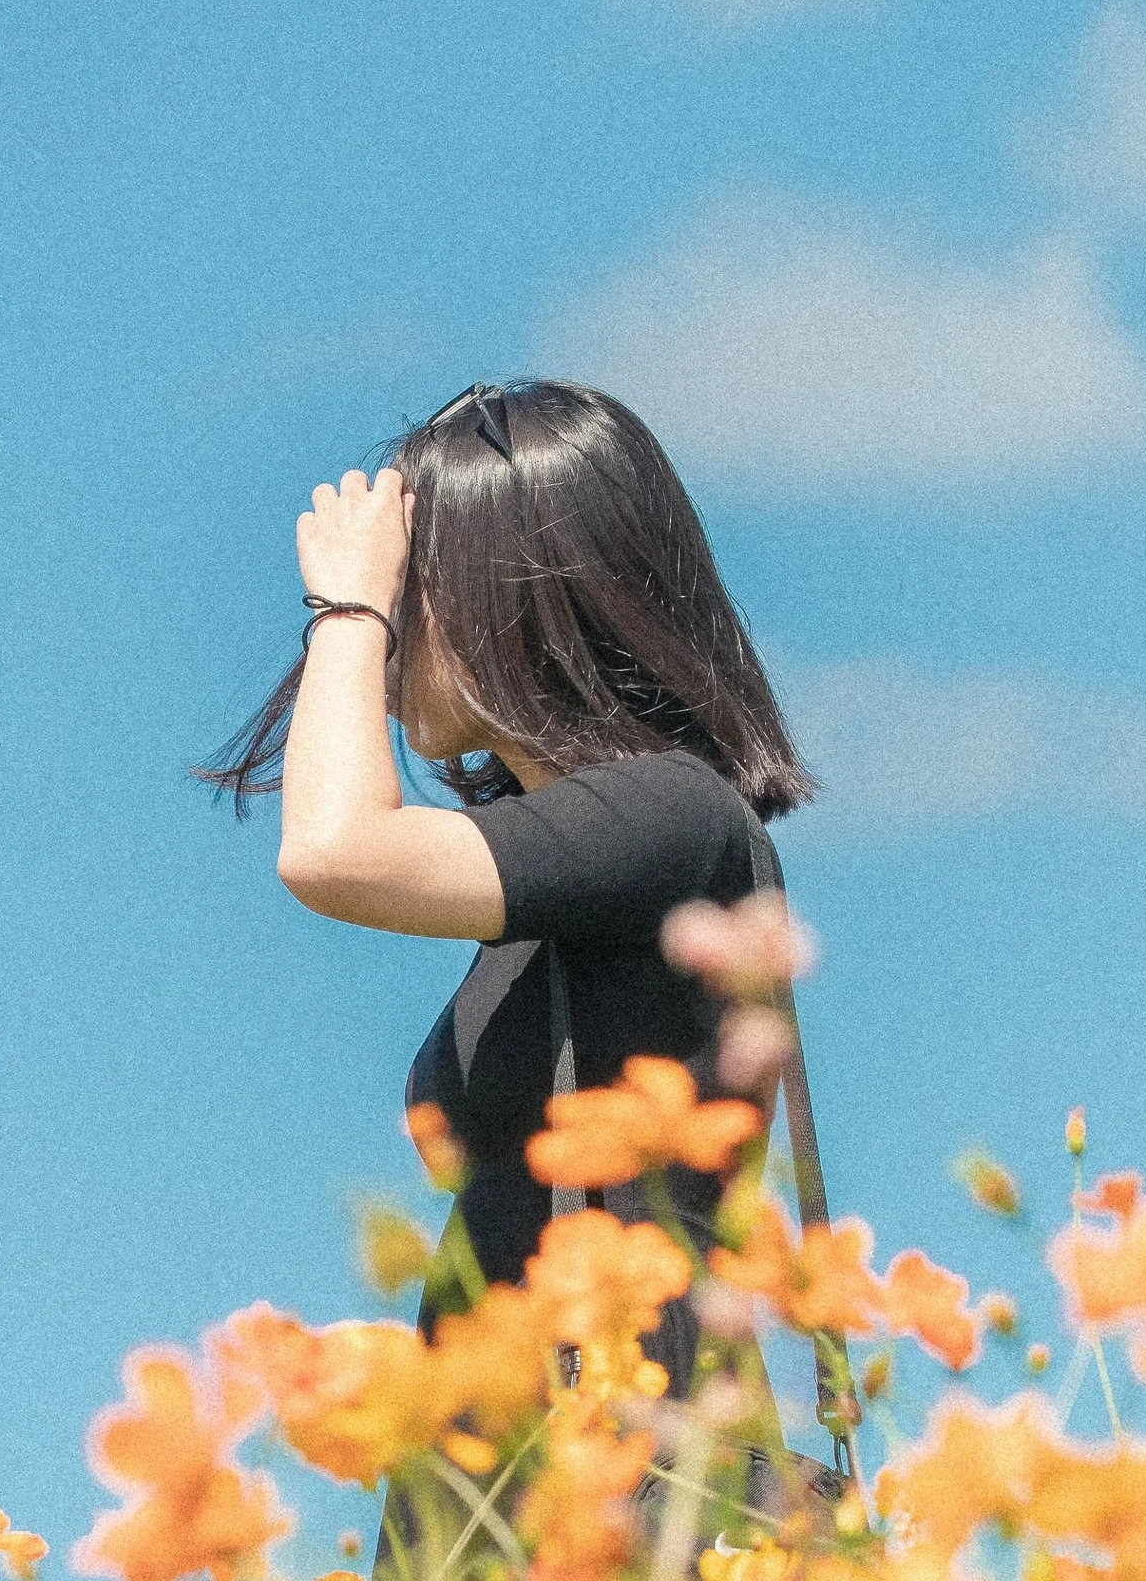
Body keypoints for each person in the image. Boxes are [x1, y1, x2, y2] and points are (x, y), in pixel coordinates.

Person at [201, 379, 815, 1420]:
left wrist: (343, 611)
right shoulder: (562, 902)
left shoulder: (673, 815)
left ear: (514, 594)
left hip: (631, 1485)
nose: (391, 641)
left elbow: (333, 849)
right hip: (524, 1484)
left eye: (412, 591)